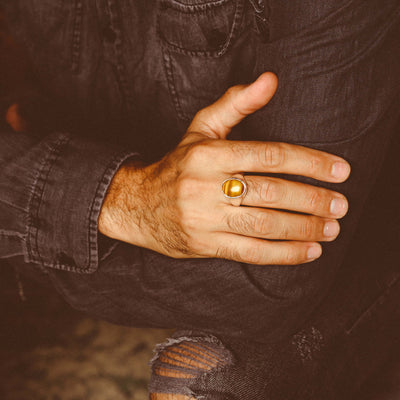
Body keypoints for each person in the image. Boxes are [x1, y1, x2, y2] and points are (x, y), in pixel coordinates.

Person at [0, 1, 399, 399]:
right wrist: (123, 201)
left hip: (368, 229)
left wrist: (35, 199)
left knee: (201, 384)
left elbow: (271, 279)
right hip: (106, 185)